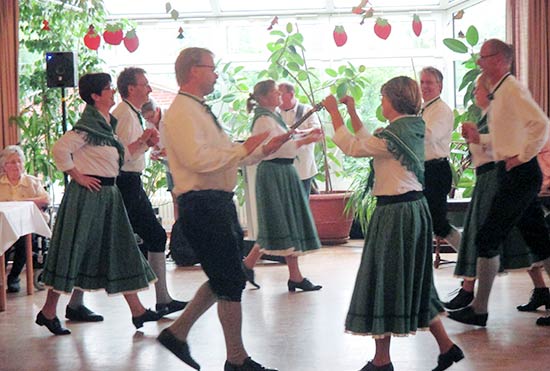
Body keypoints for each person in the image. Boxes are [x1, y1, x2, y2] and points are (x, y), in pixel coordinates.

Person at [158, 47, 287, 371]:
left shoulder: (198, 110)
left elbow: (223, 156)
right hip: (202, 205)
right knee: (229, 278)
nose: (216, 74)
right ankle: (236, 359)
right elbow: (198, 160)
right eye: (211, 68)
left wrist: (258, 150)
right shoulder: (181, 113)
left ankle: (179, 334)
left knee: (227, 277)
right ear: (193, 71)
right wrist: (244, 147)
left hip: (215, 203)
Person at [323, 76, 463, 371]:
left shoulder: (396, 134)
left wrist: (333, 112)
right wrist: (350, 112)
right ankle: (447, 348)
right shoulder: (407, 128)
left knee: (384, 280)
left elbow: (353, 147)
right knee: (416, 282)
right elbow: (368, 143)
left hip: (396, 213)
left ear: (394, 101)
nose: (381, 103)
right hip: (411, 210)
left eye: (384, 98)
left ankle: (382, 361)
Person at [36, 73, 161, 335]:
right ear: (95, 95)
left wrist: (142, 142)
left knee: (120, 248)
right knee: (73, 252)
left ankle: (137, 311)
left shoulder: (105, 124)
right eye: (108, 89)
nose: (112, 92)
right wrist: (78, 176)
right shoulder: (87, 126)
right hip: (88, 197)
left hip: (108, 195)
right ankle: (48, 312)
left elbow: (120, 156)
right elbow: (60, 149)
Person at [451, 39, 550, 327]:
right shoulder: (501, 92)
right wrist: (478, 139)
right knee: (540, 242)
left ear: (499, 60)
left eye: (483, 57)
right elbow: (507, 139)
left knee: (488, 237)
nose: (479, 63)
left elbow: (542, 125)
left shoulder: (513, 89)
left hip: (520, 174)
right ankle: (479, 309)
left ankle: (479, 310)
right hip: (514, 172)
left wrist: (522, 157)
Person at [113, 67, 187, 316]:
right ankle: (163, 299)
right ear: (131, 88)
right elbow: (121, 156)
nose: (150, 88)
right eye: (145, 84)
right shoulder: (124, 114)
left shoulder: (130, 113)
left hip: (129, 181)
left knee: (147, 236)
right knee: (155, 236)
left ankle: (163, 298)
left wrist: (146, 143)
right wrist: (145, 141)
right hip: (126, 183)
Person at [241, 80, 323, 292]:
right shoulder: (263, 120)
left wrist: (305, 138)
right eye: (276, 92)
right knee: (281, 222)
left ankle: (255, 266)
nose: (280, 96)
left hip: (283, 171)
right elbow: (271, 149)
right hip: (274, 172)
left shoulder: (271, 116)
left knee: (285, 222)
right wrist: (305, 140)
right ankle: (287, 274)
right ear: (265, 97)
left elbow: (284, 143)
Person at [420, 67, 461, 250]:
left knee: (439, 224)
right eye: (422, 82)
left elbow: (430, 136)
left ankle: (469, 258)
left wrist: (408, 127)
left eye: (429, 82)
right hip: (422, 171)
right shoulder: (422, 109)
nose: (424, 86)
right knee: (424, 221)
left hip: (436, 170)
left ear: (440, 85)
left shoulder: (442, 110)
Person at [0, 145, 50, 293]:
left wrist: (24, 202)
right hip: (4, 225)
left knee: (23, 240)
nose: (16, 165)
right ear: (4, 166)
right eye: (12, 162)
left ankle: (14, 277)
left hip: (27, 225)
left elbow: (45, 200)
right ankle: (1, 278)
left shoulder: (32, 182)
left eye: (19, 161)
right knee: (4, 240)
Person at [278, 82, 321, 195]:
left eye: (280, 94)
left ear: (291, 94)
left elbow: (316, 129)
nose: (277, 97)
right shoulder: (275, 113)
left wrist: (301, 132)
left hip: (303, 166)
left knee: (303, 202)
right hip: (282, 167)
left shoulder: (306, 110)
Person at [141, 99, 178, 220]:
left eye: (152, 116)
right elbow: (155, 142)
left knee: (184, 197)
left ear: (157, 110)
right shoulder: (149, 124)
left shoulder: (170, 117)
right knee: (174, 197)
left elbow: (181, 141)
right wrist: (154, 151)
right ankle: (178, 227)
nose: (150, 120)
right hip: (168, 164)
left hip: (180, 163)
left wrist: (169, 150)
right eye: (147, 119)